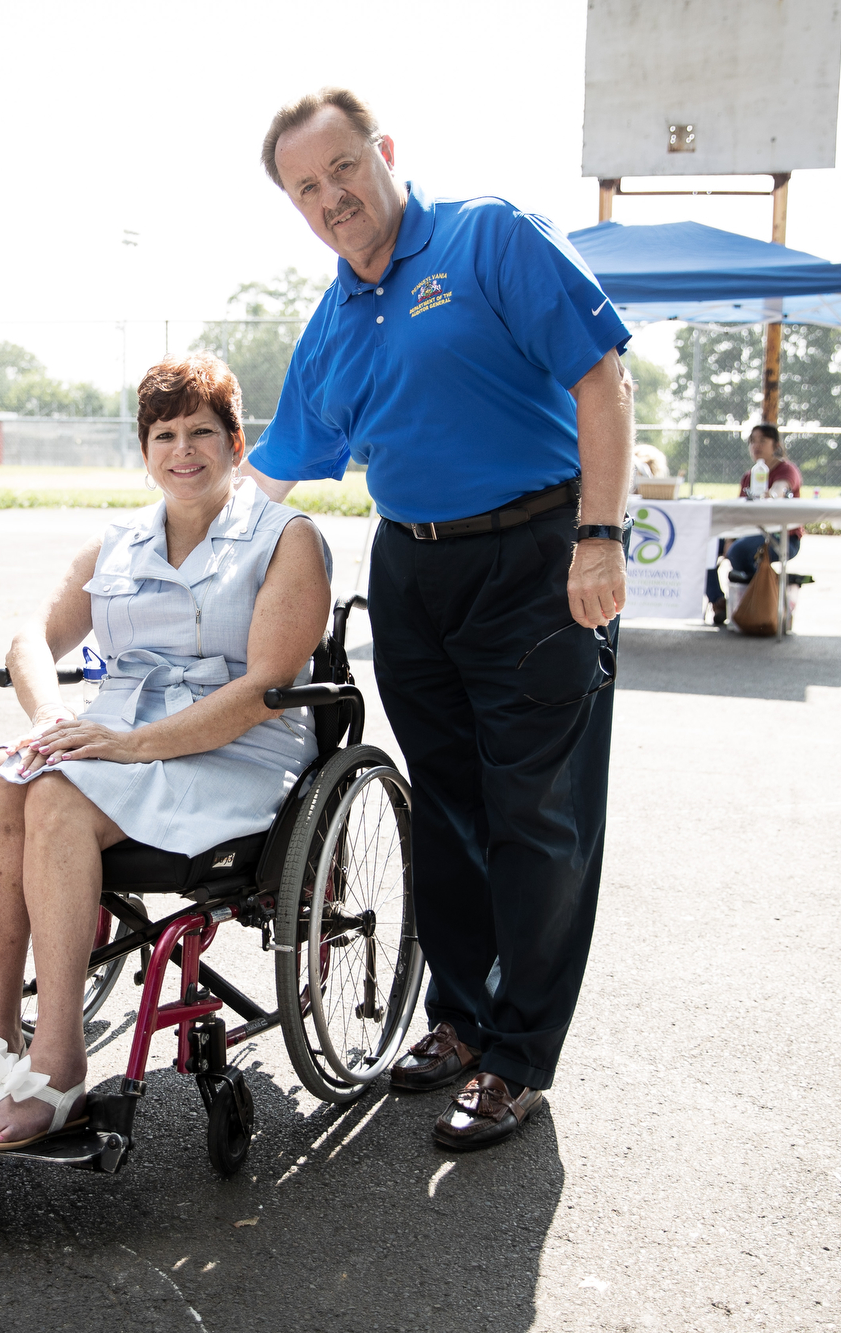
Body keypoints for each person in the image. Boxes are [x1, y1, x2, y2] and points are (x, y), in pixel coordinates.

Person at [241, 88, 635, 1152]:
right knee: (448, 810)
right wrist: (159, 555)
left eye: (342, 168)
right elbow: (267, 478)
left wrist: (600, 534)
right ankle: (461, 1019)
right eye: (306, 188)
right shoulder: (332, 325)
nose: (332, 198)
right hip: (412, 572)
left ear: (383, 151)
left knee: (536, 816)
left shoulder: (486, 238)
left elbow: (602, 380)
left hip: (535, 557)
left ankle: (519, 1057)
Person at [0, 353, 332, 1150]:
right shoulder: (116, 543)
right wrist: (51, 716)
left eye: (201, 432)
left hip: (236, 749)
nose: (183, 450)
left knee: (56, 796)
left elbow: (262, 688)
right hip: (118, 739)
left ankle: (60, 1066)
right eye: (164, 435)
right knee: (4, 775)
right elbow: (30, 637)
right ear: (145, 450)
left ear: (236, 442)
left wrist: (130, 746)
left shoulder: (286, 539)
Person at [706, 423, 803, 626]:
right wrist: (729, 539)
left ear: (776, 445)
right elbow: (739, 514)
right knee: (705, 547)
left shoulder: (787, 469)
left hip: (782, 538)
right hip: (747, 534)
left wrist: (772, 494)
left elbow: (781, 487)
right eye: (752, 441)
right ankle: (719, 602)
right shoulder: (749, 476)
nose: (756, 446)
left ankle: (763, 601)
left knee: (739, 551)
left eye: (762, 441)